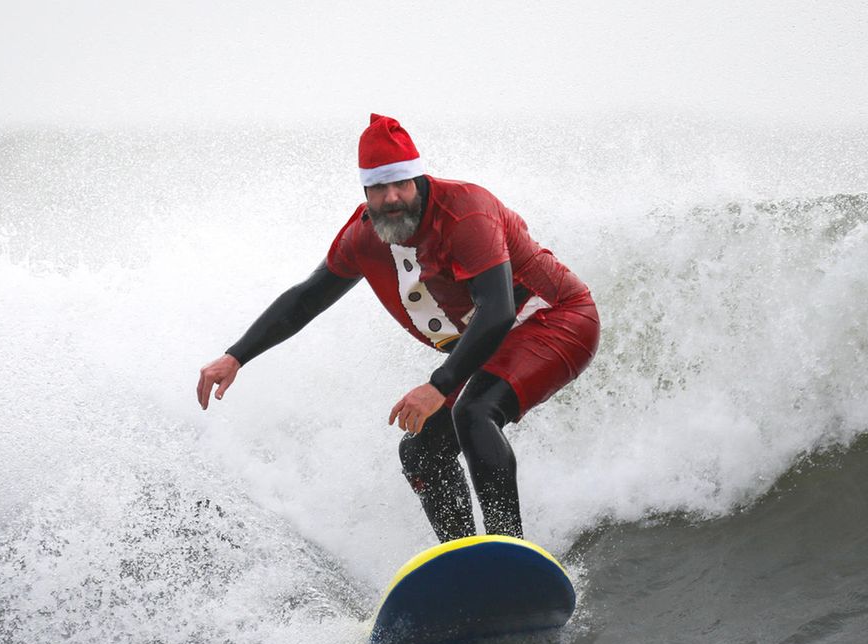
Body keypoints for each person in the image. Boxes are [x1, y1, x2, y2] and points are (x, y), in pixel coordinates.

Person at [197, 114, 599, 543]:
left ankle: (509, 549)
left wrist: (440, 384)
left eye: (401, 184)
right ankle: (466, 560)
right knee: (421, 450)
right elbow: (306, 298)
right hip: (498, 338)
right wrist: (236, 355)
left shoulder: (465, 212)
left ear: (419, 179)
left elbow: (498, 310)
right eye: (379, 187)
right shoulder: (363, 236)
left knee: (473, 411)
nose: (392, 198)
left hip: (556, 316)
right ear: (365, 191)